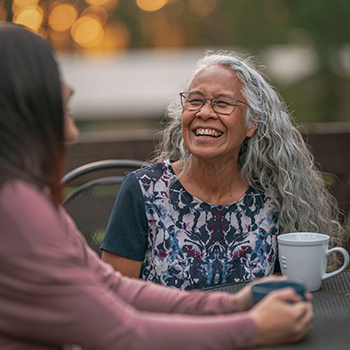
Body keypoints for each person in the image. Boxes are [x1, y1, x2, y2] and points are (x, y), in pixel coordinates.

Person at [0, 23, 314, 350]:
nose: (68, 88)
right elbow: (121, 332)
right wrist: (252, 329)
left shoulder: (29, 196)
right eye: (52, 73)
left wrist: (232, 304)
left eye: (222, 104)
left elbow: (114, 287)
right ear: (23, 94)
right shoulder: (15, 205)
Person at [101, 49, 347, 290]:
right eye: (195, 100)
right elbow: (114, 301)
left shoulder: (275, 196)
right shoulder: (143, 190)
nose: (204, 112)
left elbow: (285, 293)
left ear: (252, 124)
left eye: (222, 103)